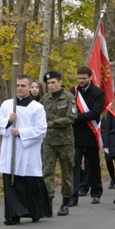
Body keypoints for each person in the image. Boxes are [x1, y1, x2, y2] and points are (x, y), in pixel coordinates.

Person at [0, 75, 51, 225]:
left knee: (30, 181)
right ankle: (13, 215)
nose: (20, 88)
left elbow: (41, 130)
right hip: (10, 150)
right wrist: (8, 121)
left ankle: (34, 211)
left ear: (29, 88)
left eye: (23, 86)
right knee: (11, 182)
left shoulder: (37, 107)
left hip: (28, 150)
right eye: (18, 85)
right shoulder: (7, 105)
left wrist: (21, 132)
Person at [41, 71, 76, 216]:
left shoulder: (68, 97)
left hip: (65, 142)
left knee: (66, 172)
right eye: (48, 83)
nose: (51, 86)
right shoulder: (45, 99)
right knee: (47, 172)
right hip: (49, 141)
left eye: (53, 82)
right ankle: (47, 202)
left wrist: (51, 124)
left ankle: (65, 202)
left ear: (60, 82)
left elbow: (71, 117)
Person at [70, 66, 105, 206]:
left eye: (84, 78)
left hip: (91, 134)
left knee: (93, 165)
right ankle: (75, 194)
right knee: (75, 165)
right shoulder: (73, 91)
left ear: (90, 77)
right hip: (76, 134)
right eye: (79, 78)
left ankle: (96, 192)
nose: (81, 81)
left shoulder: (98, 93)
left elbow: (95, 113)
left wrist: (75, 117)